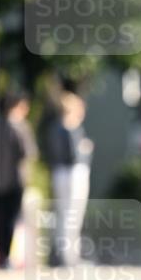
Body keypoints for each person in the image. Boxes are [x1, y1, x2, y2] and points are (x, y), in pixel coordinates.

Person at [44, 91, 93, 266]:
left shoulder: (55, 127)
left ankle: (63, 254)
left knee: (64, 213)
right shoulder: (71, 128)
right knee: (73, 214)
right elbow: (74, 154)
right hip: (73, 173)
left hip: (59, 173)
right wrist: (85, 149)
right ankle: (69, 256)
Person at [0, 91, 37, 269]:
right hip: (14, 181)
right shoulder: (20, 127)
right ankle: (5, 256)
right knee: (11, 219)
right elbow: (29, 153)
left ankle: (3, 255)